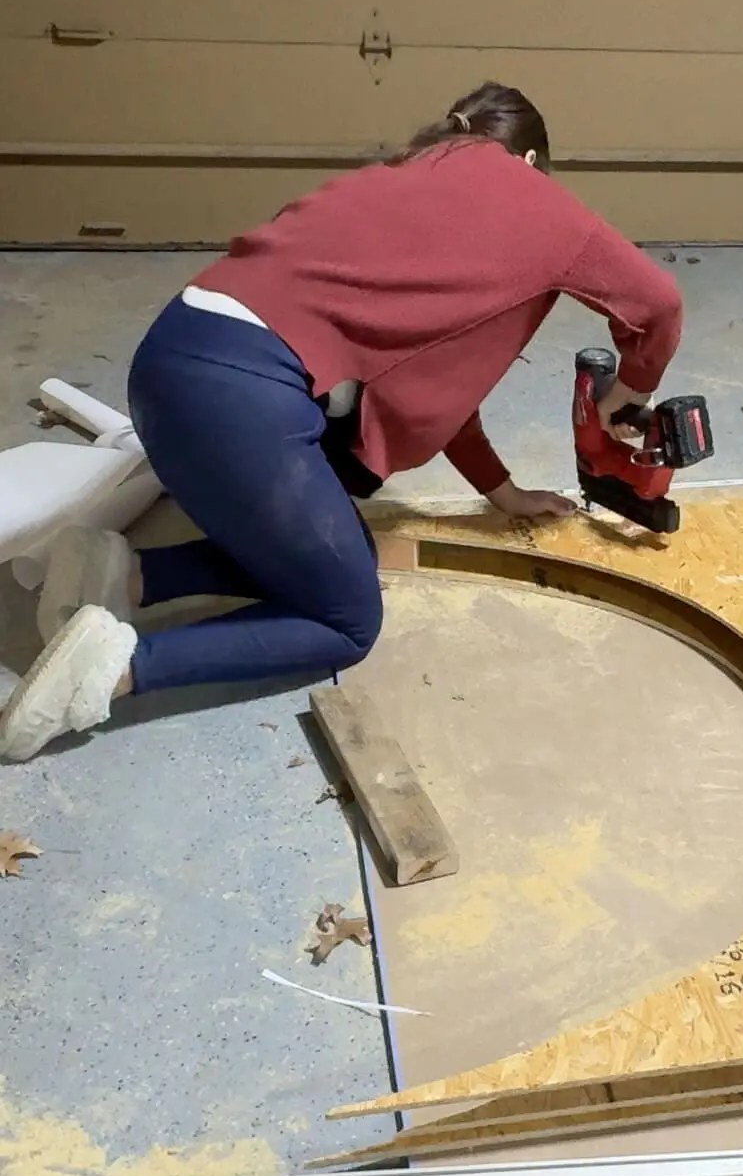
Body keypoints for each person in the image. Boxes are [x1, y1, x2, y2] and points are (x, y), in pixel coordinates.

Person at [0, 82, 683, 763]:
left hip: (167, 365)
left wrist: (500, 491)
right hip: (239, 401)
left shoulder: (392, 186)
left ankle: (119, 574)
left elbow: (434, 391)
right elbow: (658, 303)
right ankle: (113, 671)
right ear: (530, 161)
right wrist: (626, 394)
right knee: (346, 619)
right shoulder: (539, 204)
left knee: (338, 556)